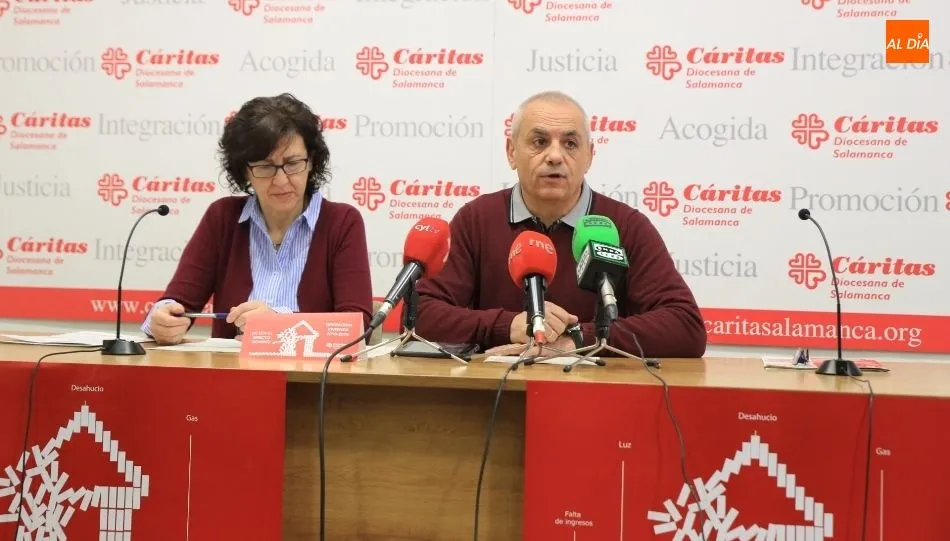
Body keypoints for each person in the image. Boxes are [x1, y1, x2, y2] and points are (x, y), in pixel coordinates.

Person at [414, 91, 707, 358]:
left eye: (570, 143)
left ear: (590, 156)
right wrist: (506, 325)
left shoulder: (624, 225)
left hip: (596, 397)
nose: (555, 156)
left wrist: (578, 341)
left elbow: (685, 327)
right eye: (539, 142)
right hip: (494, 396)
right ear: (511, 152)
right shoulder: (477, 219)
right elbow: (420, 314)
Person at [141, 93, 373, 345]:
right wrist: (162, 319)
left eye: (292, 163)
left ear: (311, 161)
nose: (281, 180)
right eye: (265, 167)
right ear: (244, 171)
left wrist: (276, 324)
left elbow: (356, 326)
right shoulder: (222, 217)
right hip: (232, 375)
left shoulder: (342, 222)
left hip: (313, 378)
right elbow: (178, 302)